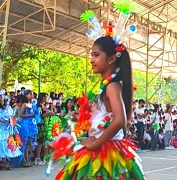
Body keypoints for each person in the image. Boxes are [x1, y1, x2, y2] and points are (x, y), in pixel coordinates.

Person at [55, 35, 144, 179]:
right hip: (100, 147)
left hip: (105, 151)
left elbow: (119, 120)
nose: (91, 60)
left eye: (96, 55)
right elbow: (106, 117)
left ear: (111, 59)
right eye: (92, 55)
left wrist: (96, 144)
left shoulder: (112, 86)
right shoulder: (106, 86)